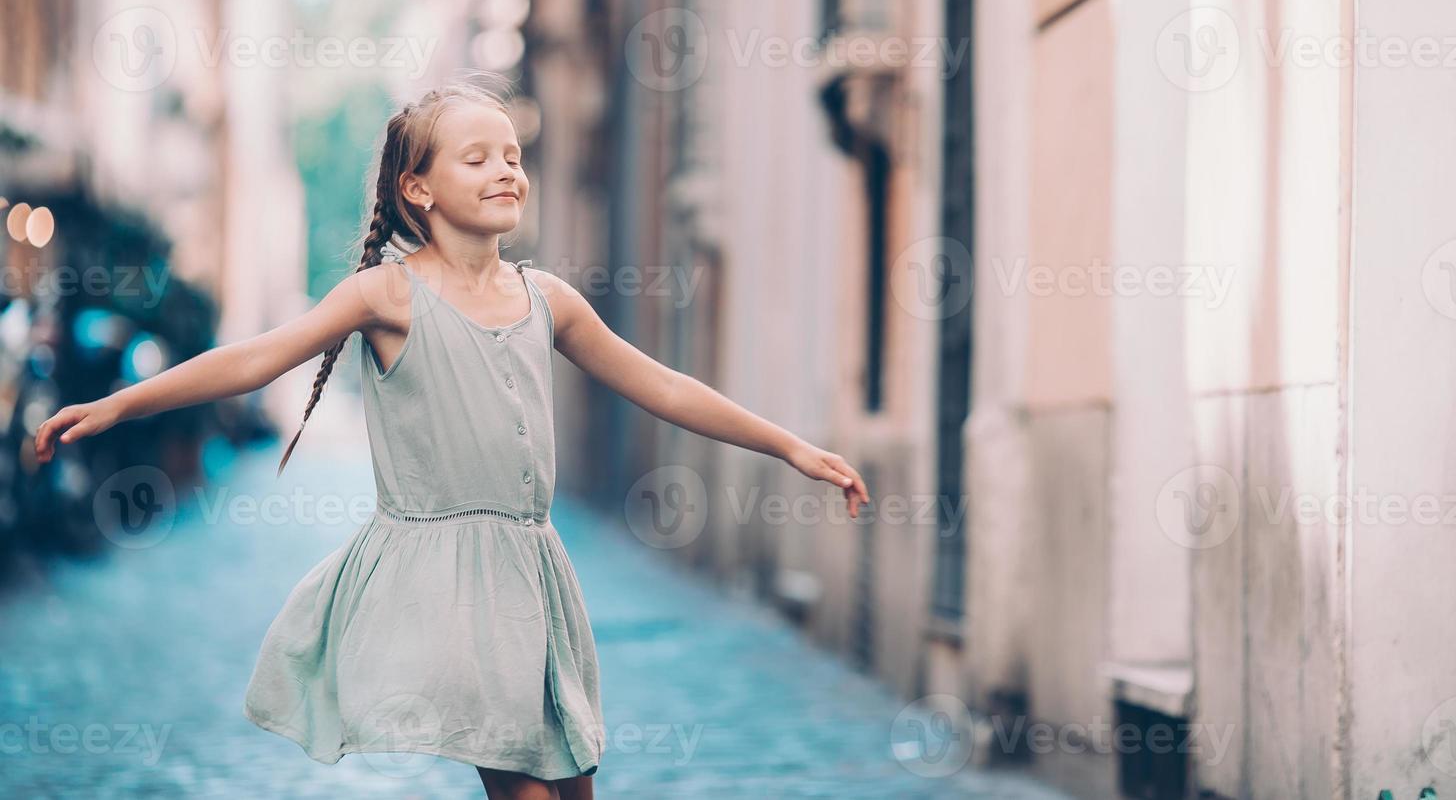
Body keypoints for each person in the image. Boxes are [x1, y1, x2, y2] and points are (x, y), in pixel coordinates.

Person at [33, 73, 871, 799]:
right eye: (477, 158)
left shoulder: (548, 300)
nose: (506, 169)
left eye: (511, 155)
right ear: (419, 190)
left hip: (536, 574)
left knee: (571, 780)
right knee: (522, 787)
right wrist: (118, 405)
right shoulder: (387, 297)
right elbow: (256, 358)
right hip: (442, 581)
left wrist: (789, 445)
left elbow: (664, 385)